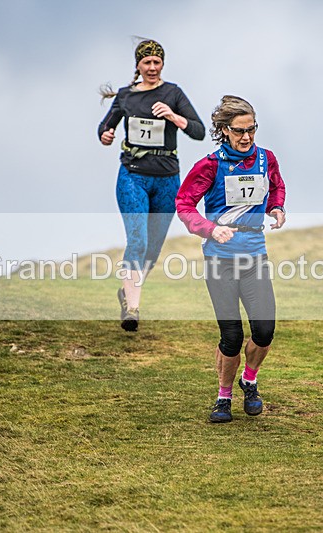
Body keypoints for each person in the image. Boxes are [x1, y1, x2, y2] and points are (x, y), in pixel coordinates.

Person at [176, 95, 286, 423]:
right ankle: (224, 397)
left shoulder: (266, 159)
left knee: (265, 330)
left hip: (254, 256)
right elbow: (184, 204)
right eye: (239, 131)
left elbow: (276, 188)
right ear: (224, 131)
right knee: (232, 336)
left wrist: (277, 208)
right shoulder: (210, 165)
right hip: (220, 259)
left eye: (251, 129)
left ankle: (248, 381)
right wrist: (209, 229)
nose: (247, 137)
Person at [98, 38, 205, 331]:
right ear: (138, 65)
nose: (152, 67)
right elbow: (105, 126)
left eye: (157, 62)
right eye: (147, 62)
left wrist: (173, 116)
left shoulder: (173, 93)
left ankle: (126, 291)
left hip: (168, 179)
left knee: (152, 250)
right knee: (138, 240)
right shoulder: (126, 96)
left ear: (162, 64)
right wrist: (105, 135)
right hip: (133, 176)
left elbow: (199, 131)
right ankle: (133, 309)